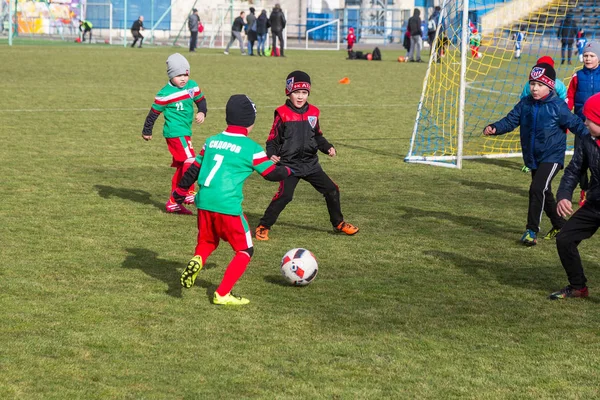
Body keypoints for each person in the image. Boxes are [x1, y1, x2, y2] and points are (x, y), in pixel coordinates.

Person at [173, 95, 293, 305]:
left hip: (204, 201)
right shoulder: (251, 148)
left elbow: (194, 169)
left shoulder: (212, 141)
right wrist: (289, 170)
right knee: (245, 250)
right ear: (250, 121)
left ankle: (197, 260)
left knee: (207, 241)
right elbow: (271, 174)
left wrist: (179, 192)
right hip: (227, 205)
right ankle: (222, 294)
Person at [483, 62, 588, 246]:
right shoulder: (525, 104)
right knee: (544, 191)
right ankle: (559, 224)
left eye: (539, 85)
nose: (535, 88)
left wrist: (593, 136)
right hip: (533, 156)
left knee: (536, 188)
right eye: (532, 84)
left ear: (549, 86)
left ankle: (531, 230)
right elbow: (510, 120)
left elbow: (576, 124)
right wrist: (495, 127)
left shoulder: (557, 106)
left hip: (553, 156)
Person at [254, 70, 359, 241]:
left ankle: (338, 223)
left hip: (311, 164)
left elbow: (317, 136)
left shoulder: (314, 112)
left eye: (304, 92)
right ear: (289, 92)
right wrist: (271, 154)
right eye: (296, 92)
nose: (300, 96)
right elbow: (272, 139)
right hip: (289, 165)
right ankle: (263, 225)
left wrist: (327, 147)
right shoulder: (282, 113)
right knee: (285, 195)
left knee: (332, 190)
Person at [141, 53, 207, 215]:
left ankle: (174, 202)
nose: (183, 78)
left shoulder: (192, 86)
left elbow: (201, 100)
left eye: (185, 74)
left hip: (185, 132)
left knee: (181, 167)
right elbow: (153, 113)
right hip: (175, 133)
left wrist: (202, 112)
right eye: (179, 75)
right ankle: (188, 193)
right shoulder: (164, 94)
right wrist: (147, 130)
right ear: (171, 75)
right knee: (191, 161)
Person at [551, 93, 600, 300]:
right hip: (595, 204)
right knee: (564, 239)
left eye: (589, 118)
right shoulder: (587, 140)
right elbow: (573, 170)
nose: (585, 122)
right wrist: (563, 195)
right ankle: (578, 287)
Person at [566, 41, 600, 206]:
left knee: (597, 161)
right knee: (580, 160)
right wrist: (566, 118)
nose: (588, 58)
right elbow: (570, 98)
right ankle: (584, 190)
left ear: (598, 58)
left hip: (599, 127)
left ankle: (595, 191)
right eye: (586, 55)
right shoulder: (576, 76)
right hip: (581, 125)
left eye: (592, 55)